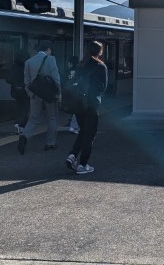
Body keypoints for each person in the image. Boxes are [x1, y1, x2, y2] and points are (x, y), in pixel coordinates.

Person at [66, 41, 108, 175]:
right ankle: (83, 165)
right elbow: (103, 87)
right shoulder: (101, 66)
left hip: (78, 104)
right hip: (91, 104)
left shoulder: (80, 65)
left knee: (83, 131)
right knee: (90, 135)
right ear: (99, 52)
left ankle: (72, 155)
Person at [19, 40, 61, 154]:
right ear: (48, 49)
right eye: (50, 50)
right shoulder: (51, 59)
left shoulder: (28, 62)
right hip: (49, 94)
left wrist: (31, 94)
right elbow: (56, 78)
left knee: (33, 118)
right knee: (52, 117)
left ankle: (25, 136)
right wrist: (59, 93)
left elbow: (26, 81)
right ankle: (50, 143)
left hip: (35, 94)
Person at [7, 50, 29, 134]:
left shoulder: (14, 67)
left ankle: (21, 126)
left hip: (15, 90)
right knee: (25, 108)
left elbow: (8, 79)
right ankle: (18, 124)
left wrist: (15, 83)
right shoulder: (26, 67)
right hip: (25, 90)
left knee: (19, 107)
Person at [63, 56, 80, 134]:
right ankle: (74, 126)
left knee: (72, 108)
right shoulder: (80, 71)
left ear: (70, 63)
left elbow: (63, 81)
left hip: (68, 92)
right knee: (77, 109)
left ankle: (72, 124)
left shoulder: (66, 71)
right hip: (77, 92)